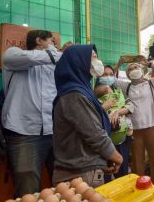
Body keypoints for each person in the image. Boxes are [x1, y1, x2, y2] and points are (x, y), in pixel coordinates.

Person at [52, 45, 123, 187]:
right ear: (79, 62)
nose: (98, 61)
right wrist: (117, 157)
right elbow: (95, 134)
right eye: (94, 57)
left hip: (81, 169)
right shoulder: (75, 95)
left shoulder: (79, 91)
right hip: (81, 173)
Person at [1, 30, 61, 197]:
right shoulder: (14, 54)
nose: (55, 45)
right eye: (51, 41)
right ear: (39, 40)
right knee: (27, 188)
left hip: (54, 131)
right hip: (24, 132)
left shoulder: (54, 63)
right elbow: (33, 58)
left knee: (64, 183)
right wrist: (59, 53)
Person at [114, 56, 154, 191]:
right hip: (134, 129)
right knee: (137, 161)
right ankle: (139, 190)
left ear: (141, 69)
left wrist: (149, 64)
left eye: (136, 67)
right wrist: (119, 64)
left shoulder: (151, 83)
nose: (134, 69)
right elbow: (112, 80)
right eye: (130, 69)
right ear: (127, 74)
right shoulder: (126, 86)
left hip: (152, 126)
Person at [94, 65, 134, 179]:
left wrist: (119, 112)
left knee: (122, 174)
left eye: (111, 74)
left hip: (122, 141)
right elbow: (91, 116)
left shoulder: (119, 90)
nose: (108, 77)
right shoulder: (93, 95)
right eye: (105, 75)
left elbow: (131, 106)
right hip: (105, 144)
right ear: (98, 77)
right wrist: (105, 107)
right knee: (107, 174)